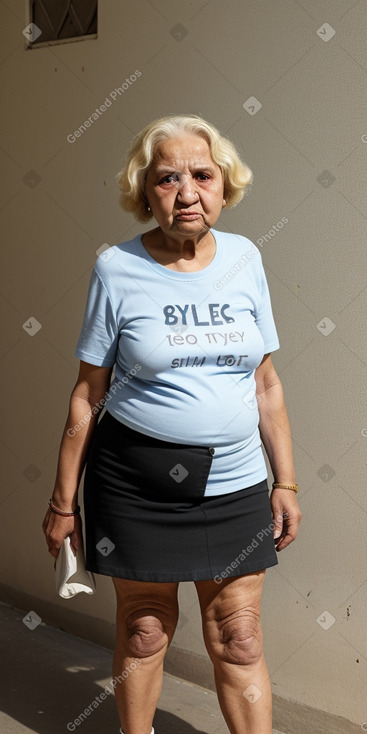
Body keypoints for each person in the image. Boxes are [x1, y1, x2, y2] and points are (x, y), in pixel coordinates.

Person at [42, 114, 302, 734]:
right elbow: (87, 395)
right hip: (137, 484)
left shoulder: (245, 258)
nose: (187, 193)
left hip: (235, 483)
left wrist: (285, 481)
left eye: (202, 175)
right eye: (167, 179)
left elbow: (265, 383)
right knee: (144, 630)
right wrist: (63, 502)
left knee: (239, 637)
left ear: (224, 184)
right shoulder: (117, 270)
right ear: (144, 192)